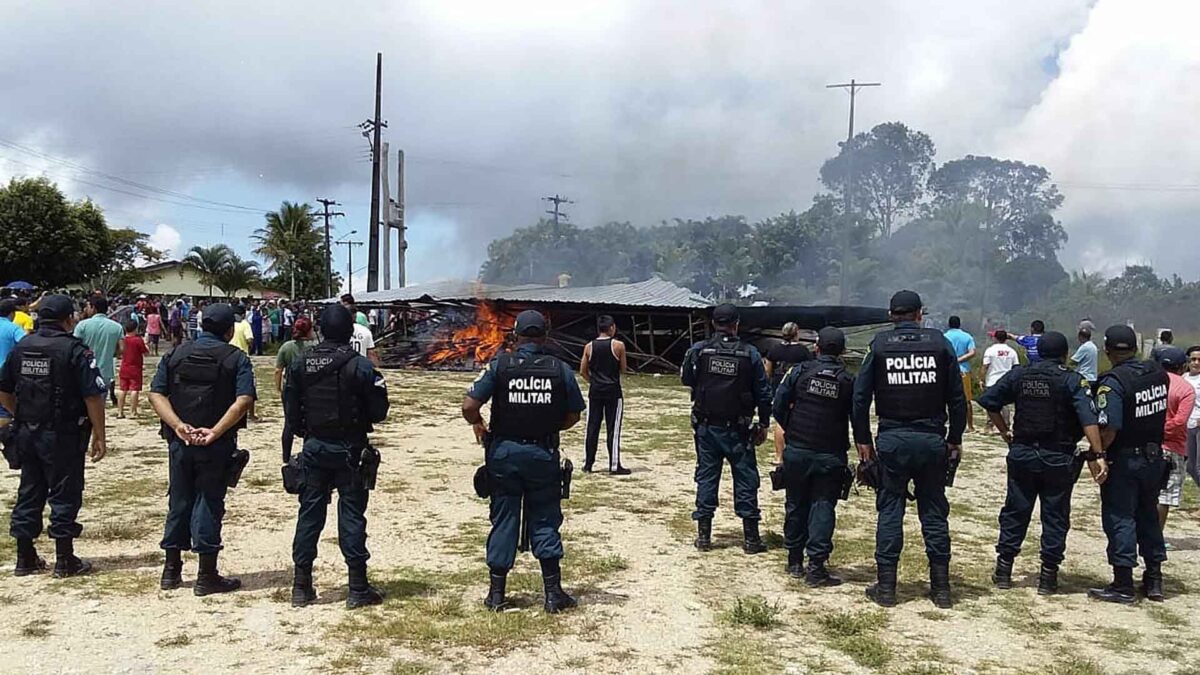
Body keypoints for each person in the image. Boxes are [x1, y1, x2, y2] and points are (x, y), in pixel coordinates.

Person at [462, 310, 585, 613]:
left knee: (504, 517)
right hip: (542, 453)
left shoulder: (499, 365)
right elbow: (574, 415)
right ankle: (553, 594)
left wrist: (479, 423)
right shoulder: (560, 369)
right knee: (545, 516)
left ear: (515, 335)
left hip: (504, 453)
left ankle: (496, 594)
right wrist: (548, 426)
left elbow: (468, 406)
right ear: (545, 335)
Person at [852, 290, 966, 609]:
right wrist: (955, 438)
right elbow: (958, 399)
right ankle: (941, 589)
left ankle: (887, 588)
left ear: (891, 315)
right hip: (932, 440)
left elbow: (860, 399)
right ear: (919, 314)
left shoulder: (879, 345)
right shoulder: (940, 343)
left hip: (892, 439)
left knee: (890, 511)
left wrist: (863, 440)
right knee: (934, 511)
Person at [977, 331, 1106, 595]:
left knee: (1016, 510)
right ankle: (1048, 576)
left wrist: (1005, 432)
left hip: (1023, 453)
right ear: (1065, 354)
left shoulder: (1019, 375)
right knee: (1055, 515)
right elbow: (1088, 418)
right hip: (1058, 457)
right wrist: (1099, 452)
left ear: (1034, 353)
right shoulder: (1072, 380)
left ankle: (1004, 569)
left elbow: (990, 401)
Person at [285, 305, 390, 608]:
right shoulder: (360, 367)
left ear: (320, 330)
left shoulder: (300, 364)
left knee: (309, 515)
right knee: (352, 515)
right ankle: (357, 587)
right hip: (350, 449)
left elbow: (291, 414)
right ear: (349, 332)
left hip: (315, 447)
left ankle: (301, 586)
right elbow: (379, 412)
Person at [148, 303, 256, 596]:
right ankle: (206, 574)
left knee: (179, 500)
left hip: (179, 442)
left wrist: (178, 425)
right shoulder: (236, 358)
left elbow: (156, 393)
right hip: (216, 445)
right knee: (209, 502)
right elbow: (244, 399)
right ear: (229, 330)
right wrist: (216, 431)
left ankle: (171, 571)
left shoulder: (175, 353)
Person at [0, 295, 107, 577]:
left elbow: (4, 389)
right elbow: (93, 395)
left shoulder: (23, 347)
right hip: (63, 433)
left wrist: (19, 414)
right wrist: (100, 433)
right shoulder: (74, 350)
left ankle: (25, 557)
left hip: (26, 431)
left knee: (30, 489)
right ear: (68, 319)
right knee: (64, 492)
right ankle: (64, 558)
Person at [681, 303, 773, 555]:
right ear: (736, 324)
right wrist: (764, 423)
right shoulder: (751, 354)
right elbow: (764, 393)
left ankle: (704, 537)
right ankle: (751, 539)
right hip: (739, 430)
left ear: (713, 323)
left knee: (707, 477)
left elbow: (687, 379)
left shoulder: (698, 351)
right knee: (745, 479)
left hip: (707, 428)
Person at [1087, 325, 1169, 604]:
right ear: (1134, 347)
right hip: (1154, 457)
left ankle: (1123, 583)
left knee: (1120, 517)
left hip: (1125, 459)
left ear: (1108, 350)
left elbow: (1109, 427)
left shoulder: (1113, 382)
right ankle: (1154, 579)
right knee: (1148, 515)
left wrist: (1098, 454)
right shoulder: (1157, 373)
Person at [771, 326, 854, 587]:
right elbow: (857, 415)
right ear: (841, 351)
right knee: (823, 505)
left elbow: (778, 405)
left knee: (796, 502)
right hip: (830, 453)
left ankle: (794, 560)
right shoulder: (848, 380)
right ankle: (816, 566)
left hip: (798, 450)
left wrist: (792, 428)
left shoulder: (798, 372)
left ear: (816, 347)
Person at [579, 315, 629, 474]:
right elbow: (623, 369)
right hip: (613, 391)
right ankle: (614, 465)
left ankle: (588, 464)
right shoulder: (618, 345)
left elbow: (582, 371)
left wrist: (593, 381)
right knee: (613, 428)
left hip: (595, 390)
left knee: (592, 427)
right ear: (612, 328)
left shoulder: (589, 347)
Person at [1153, 348, 1193, 536]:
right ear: (1183, 366)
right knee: (1166, 495)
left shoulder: (1149, 382)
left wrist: (1150, 431)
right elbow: (1179, 421)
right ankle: (1156, 536)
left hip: (1147, 444)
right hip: (1173, 446)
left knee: (1147, 493)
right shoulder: (1185, 388)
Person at [764, 322, 813, 461]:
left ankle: (778, 456)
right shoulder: (803, 351)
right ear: (796, 333)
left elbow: (767, 371)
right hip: (796, 388)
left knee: (779, 421)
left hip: (778, 387)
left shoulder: (774, 349)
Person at [275, 317, 318, 465]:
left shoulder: (287, 347)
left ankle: (285, 457)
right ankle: (308, 453)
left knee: (289, 423)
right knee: (310, 421)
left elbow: (278, 370)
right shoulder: (316, 346)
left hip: (290, 388)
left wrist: (278, 387)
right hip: (310, 388)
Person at [74, 296, 124, 407]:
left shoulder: (82, 325)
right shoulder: (117, 327)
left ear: (94, 308)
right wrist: (111, 352)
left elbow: (74, 347)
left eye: (88, 306)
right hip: (105, 372)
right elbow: (121, 349)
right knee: (100, 407)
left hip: (84, 372)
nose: (86, 309)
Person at [943, 316, 977, 433]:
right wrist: (960, 359)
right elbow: (972, 352)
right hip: (963, 370)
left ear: (949, 324)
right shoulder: (967, 337)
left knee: (944, 398)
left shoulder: (944, 337)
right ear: (959, 324)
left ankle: (946, 422)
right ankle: (970, 425)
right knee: (966, 399)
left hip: (946, 369)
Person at [981, 330, 1019, 433]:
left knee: (990, 404)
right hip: (1007, 380)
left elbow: (985, 366)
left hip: (992, 380)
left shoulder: (990, 350)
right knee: (1005, 405)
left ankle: (989, 426)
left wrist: (982, 379)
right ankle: (1006, 425)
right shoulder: (1012, 351)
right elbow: (1016, 367)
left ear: (995, 338)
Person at [117, 320, 149, 419]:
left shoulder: (123, 340)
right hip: (135, 368)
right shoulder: (137, 340)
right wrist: (146, 343)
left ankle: (120, 412)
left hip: (124, 366)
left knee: (122, 389)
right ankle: (133, 412)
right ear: (135, 329)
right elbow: (145, 352)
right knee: (134, 390)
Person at [1185, 346, 1200, 490]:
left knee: (1199, 466)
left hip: (1199, 423)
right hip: (1187, 424)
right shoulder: (1184, 378)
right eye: (1193, 359)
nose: (1196, 362)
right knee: (1190, 467)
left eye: (1199, 360)